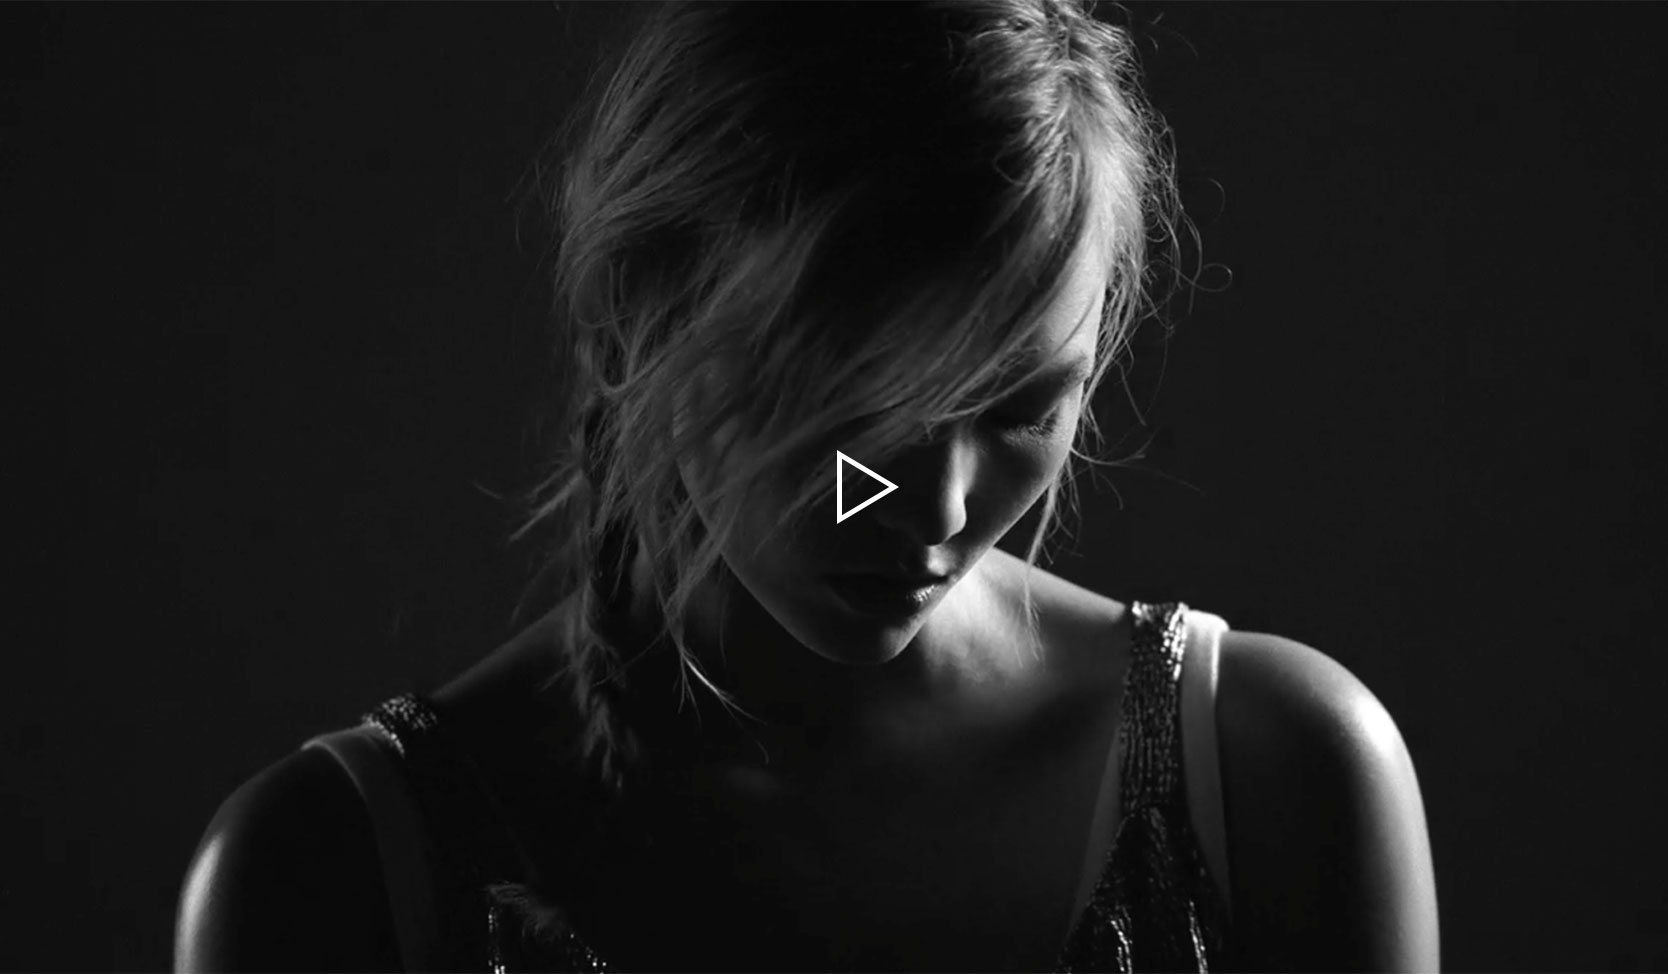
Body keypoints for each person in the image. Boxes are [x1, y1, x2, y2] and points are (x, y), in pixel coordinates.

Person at [174, 1, 1439, 971]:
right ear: (628, 325)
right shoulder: (330, 873)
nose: (935, 510)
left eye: (1019, 408)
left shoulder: (1270, 783)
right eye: (856, 413)